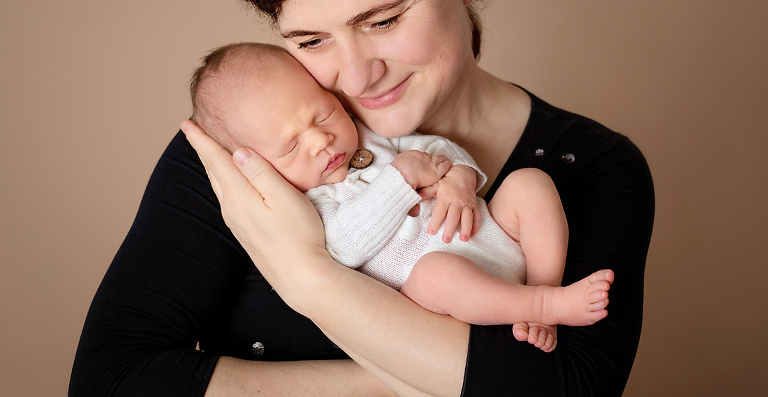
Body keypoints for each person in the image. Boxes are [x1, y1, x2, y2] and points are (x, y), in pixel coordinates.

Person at [70, 0, 654, 395]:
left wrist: (310, 278)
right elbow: (111, 378)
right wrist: (420, 377)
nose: (355, 78)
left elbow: (572, 386)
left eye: (382, 21)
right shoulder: (248, 143)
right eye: (310, 39)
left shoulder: (598, 167)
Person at [190, 41, 614, 351]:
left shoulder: (369, 139)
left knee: (530, 183)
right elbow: (345, 245)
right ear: (258, 168)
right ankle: (542, 304)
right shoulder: (311, 202)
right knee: (434, 276)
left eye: (322, 114)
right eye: (291, 146)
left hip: (495, 233)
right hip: (450, 282)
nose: (320, 139)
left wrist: (461, 178)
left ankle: (545, 281)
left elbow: (436, 150)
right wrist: (400, 179)